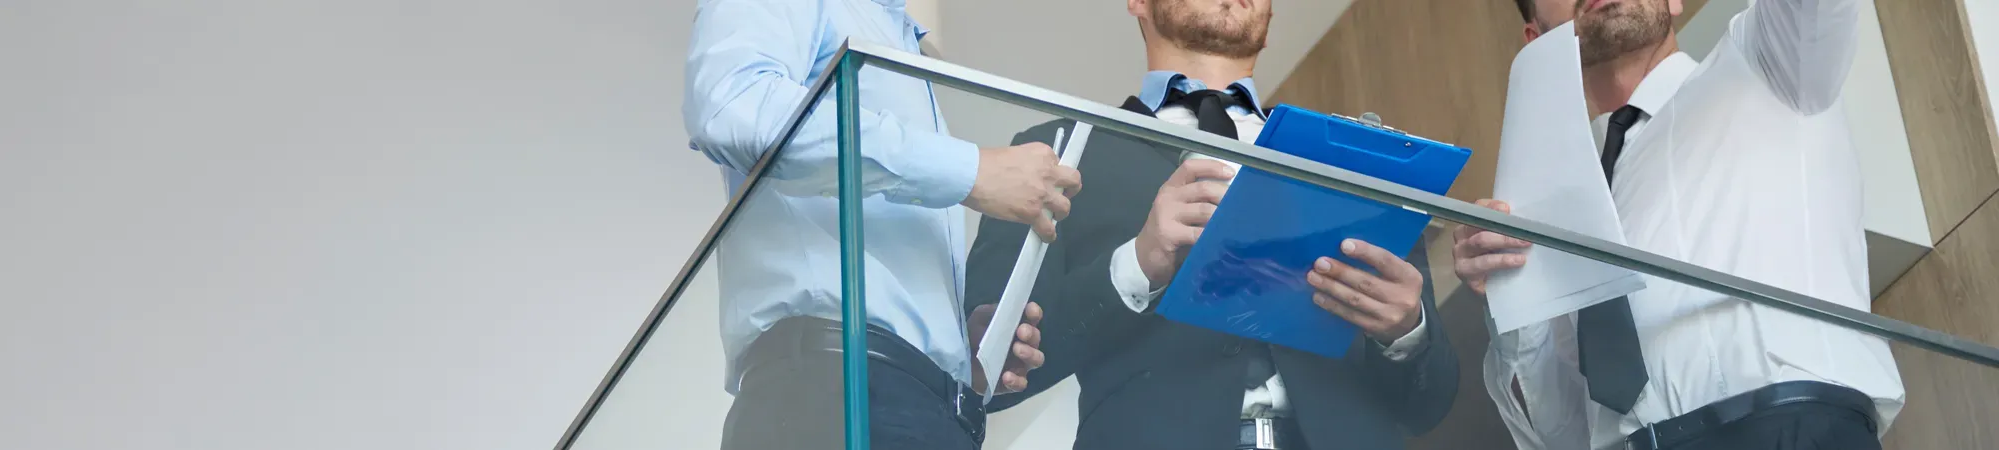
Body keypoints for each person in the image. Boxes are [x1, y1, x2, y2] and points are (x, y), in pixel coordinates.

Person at [964, 1, 1458, 449]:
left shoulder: (1359, 161)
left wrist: (1405, 331)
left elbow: (1430, 405)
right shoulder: (1053, 154)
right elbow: (982, 374)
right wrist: (1136, 266)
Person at [1460, 0, 1905, 449]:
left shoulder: (1772, 60)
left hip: (1788, 429)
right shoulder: (1557, 215)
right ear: (1538, 42)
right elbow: (1563, 434)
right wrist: (1510, 286)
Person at [682, 0, 1082, 448]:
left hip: (924, 408)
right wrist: (970, 172)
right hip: (831, 394)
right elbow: (732, 107)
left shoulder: (898, 39)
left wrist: (952, 350)